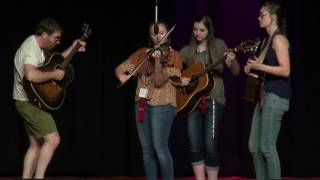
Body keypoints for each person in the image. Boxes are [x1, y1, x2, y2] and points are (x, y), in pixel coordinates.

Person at [13, 17, 86, 179]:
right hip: (28, 103)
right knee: (53, 139)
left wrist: (73, 48)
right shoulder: (30, 50)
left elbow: (56, 62)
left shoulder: (39, 46)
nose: (58, 42)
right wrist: (54, 75)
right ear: (44, 35)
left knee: (36, 145)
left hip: (28, 101)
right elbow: (31, 75)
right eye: (56, 38)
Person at [115, 20, 182, 180]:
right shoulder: (142, 53)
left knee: (160, 148)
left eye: (161, 33)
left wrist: (158, 60)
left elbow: (159, 81)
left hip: (163, 105)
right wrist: (121, 76)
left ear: (168, 34)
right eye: (154, 33)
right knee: (147, 151)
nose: (157, 36)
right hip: (141, 103)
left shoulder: (174, 56)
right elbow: (119, 68)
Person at [179, 15, 240, 180]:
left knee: (210, 146)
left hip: (214, 99)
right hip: (192, 102)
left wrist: (232, 61)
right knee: (194, 145)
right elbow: (173, 70)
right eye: (195, 29)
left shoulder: (219, 45)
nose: (197, 33)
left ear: (209, 30)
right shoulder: (186, 50)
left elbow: (235, 71)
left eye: (202, 30)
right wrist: (180, 78)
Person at [244, 1, 291, 180]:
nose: (258, 17)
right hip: (264, 97)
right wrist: (252, 68)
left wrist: (259, 66)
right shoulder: (266, 40)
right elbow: (261, 68)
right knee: (254, 146)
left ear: (273, 18)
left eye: (262, 14)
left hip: (276, 96)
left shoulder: (279, 38)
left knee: (267, 146)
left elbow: (285, 70)